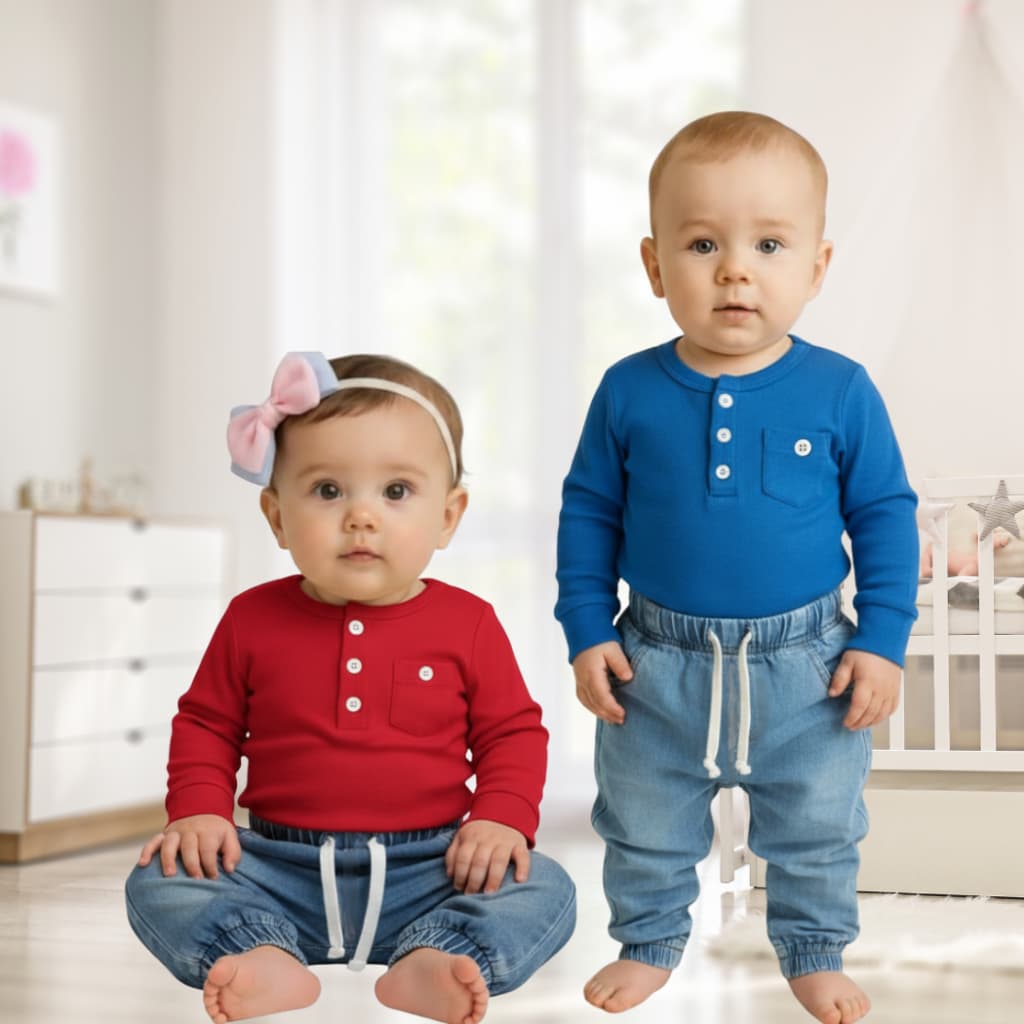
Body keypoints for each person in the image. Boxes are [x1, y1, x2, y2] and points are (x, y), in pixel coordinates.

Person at [555, 111, 918, 1024]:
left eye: (768, 244)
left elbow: (884, 517)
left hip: (808, 664)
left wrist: (881, 641)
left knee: (818, 824)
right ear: (653, 266)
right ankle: (647, 942)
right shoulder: (629, 389)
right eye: (704, 243)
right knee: (641, 818)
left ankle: (812, 950)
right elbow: (589, 513)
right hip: (656, 659)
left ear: (817, 268)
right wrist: (588, 631)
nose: (735, 270)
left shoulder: (840, 389)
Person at [126, 352, 576, 1024]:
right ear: (276, 516)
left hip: (432, 870)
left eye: (396, 492)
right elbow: (206, 725)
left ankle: (440, 956)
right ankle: (258, 953)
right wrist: (199, 810)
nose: (361, 517)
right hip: (277, 868)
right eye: (328, 491)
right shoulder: (252, 618)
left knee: (545, 886)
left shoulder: (468, 623)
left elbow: (511, 732)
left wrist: (499, 818)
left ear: (448, 515)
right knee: (158, 877)